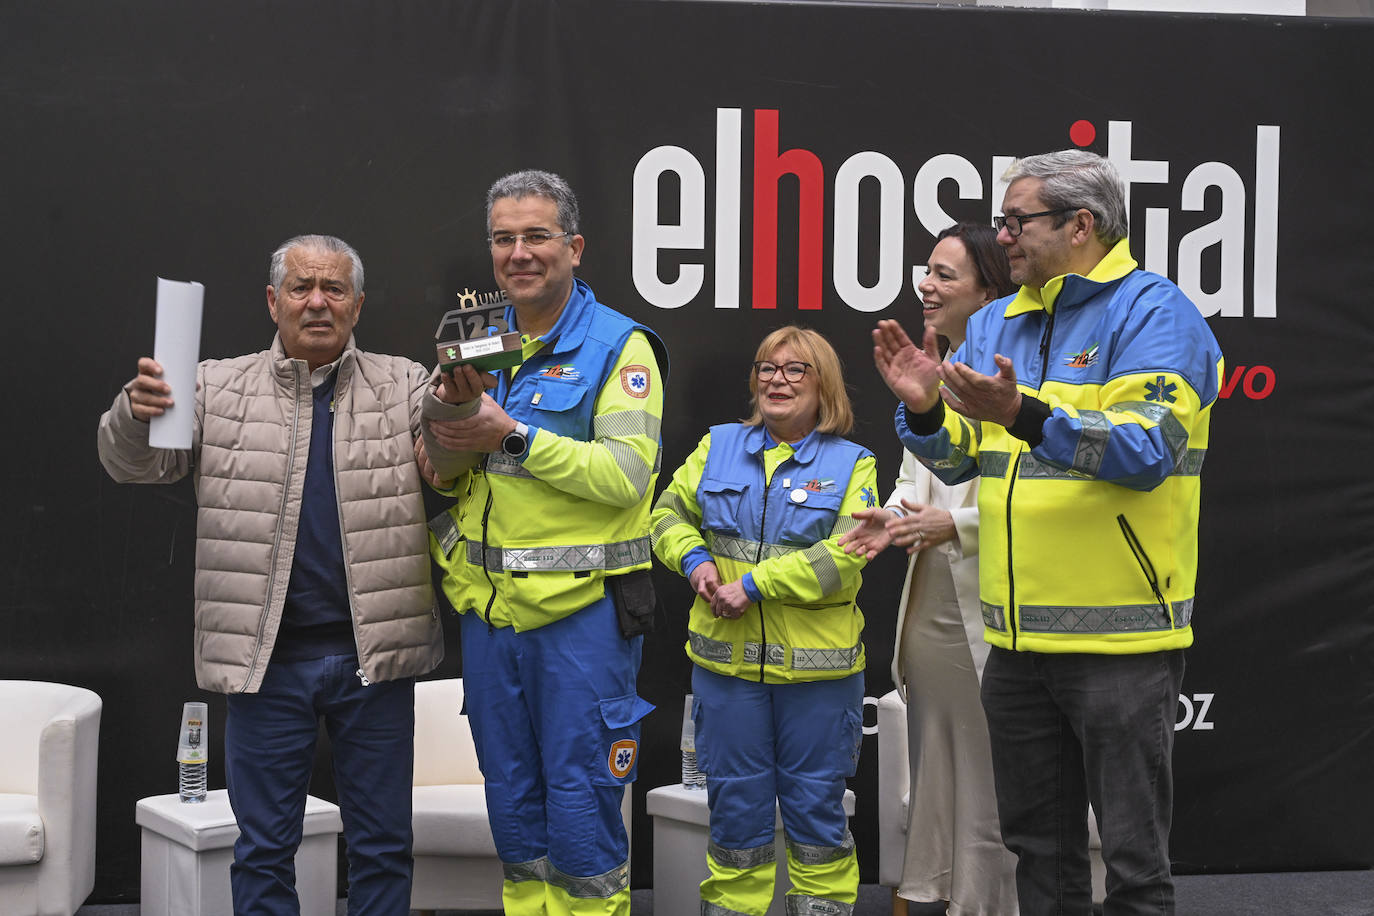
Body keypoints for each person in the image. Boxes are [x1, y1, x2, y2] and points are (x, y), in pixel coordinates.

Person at [872, 150, 1222, 916]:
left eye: (1016, 221)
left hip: (1120, 643)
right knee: (1039, 852)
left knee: (1130, 863)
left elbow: (1146, 450)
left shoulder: (1156, 314)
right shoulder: (999, 318)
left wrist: (1023, 415)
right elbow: (961, 458)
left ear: (1082, 224)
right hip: (1017, 642)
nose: (1003, 238)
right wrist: (927, 411)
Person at [97, 234, 443, 915]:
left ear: (358, 304)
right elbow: (136, 464)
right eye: (301, 288)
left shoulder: (405, 384)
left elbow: (450, 466)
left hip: (375, 658)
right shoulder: (212, 387)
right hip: (265, 662)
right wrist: (130, 418)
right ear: (272, 301)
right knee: (261, 850)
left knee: (382, 846)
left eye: (334, 289)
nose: (317, 302)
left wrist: (460, 412)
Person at [418, 169, 667, 916]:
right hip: (492, 622)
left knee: (583, 819)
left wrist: (514, 434)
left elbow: (628, 476)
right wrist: (443, 433)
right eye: (504, 239)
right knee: (517, 817)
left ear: (575, 247)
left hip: (581, 623)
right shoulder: (475, 336)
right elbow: (454, 472)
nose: (518, 253)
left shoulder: (619, 347)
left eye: (536, 236)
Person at [650, 325, 879, 916]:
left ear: (823, 382)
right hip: (725, 673)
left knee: (817, 815)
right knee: (734, 814)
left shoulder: (854, 463)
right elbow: (666, 516)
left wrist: (753, 586)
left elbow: (845, 561)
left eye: (795, 369)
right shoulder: (718, 445)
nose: (777, 379)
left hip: (819, 683)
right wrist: (696, 563)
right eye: (767, 368)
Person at [842, 222, 1019, 915]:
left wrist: (959, 524)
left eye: (946, 274)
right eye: (928, 271)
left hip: (996, 614)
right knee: (935, 774)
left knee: (991, 782)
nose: (927, 285)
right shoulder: (930, 370)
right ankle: (933, 896)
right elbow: (916, 482)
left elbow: (1042, 492)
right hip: (929, 618)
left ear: (990, 289)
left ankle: (987, 903)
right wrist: (892, 515)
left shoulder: (1018, 377)